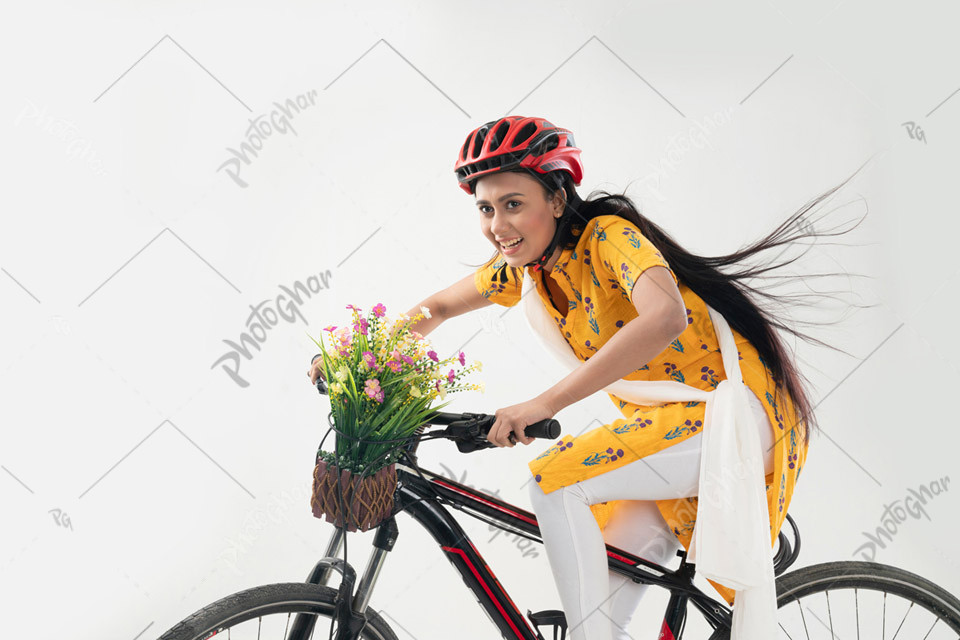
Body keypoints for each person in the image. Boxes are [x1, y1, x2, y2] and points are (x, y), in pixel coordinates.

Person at [308, 115, 862, 640]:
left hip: (733, 421)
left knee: (554, 479)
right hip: (666, 433)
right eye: (485, 209)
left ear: (556, 197)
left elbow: (666, 316)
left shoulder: (607, 238)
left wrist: (544, 403)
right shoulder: (528, 270)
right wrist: (355, 359)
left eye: (513, 204)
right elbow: (439, 308)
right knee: (595, 621)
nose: (497, 226)